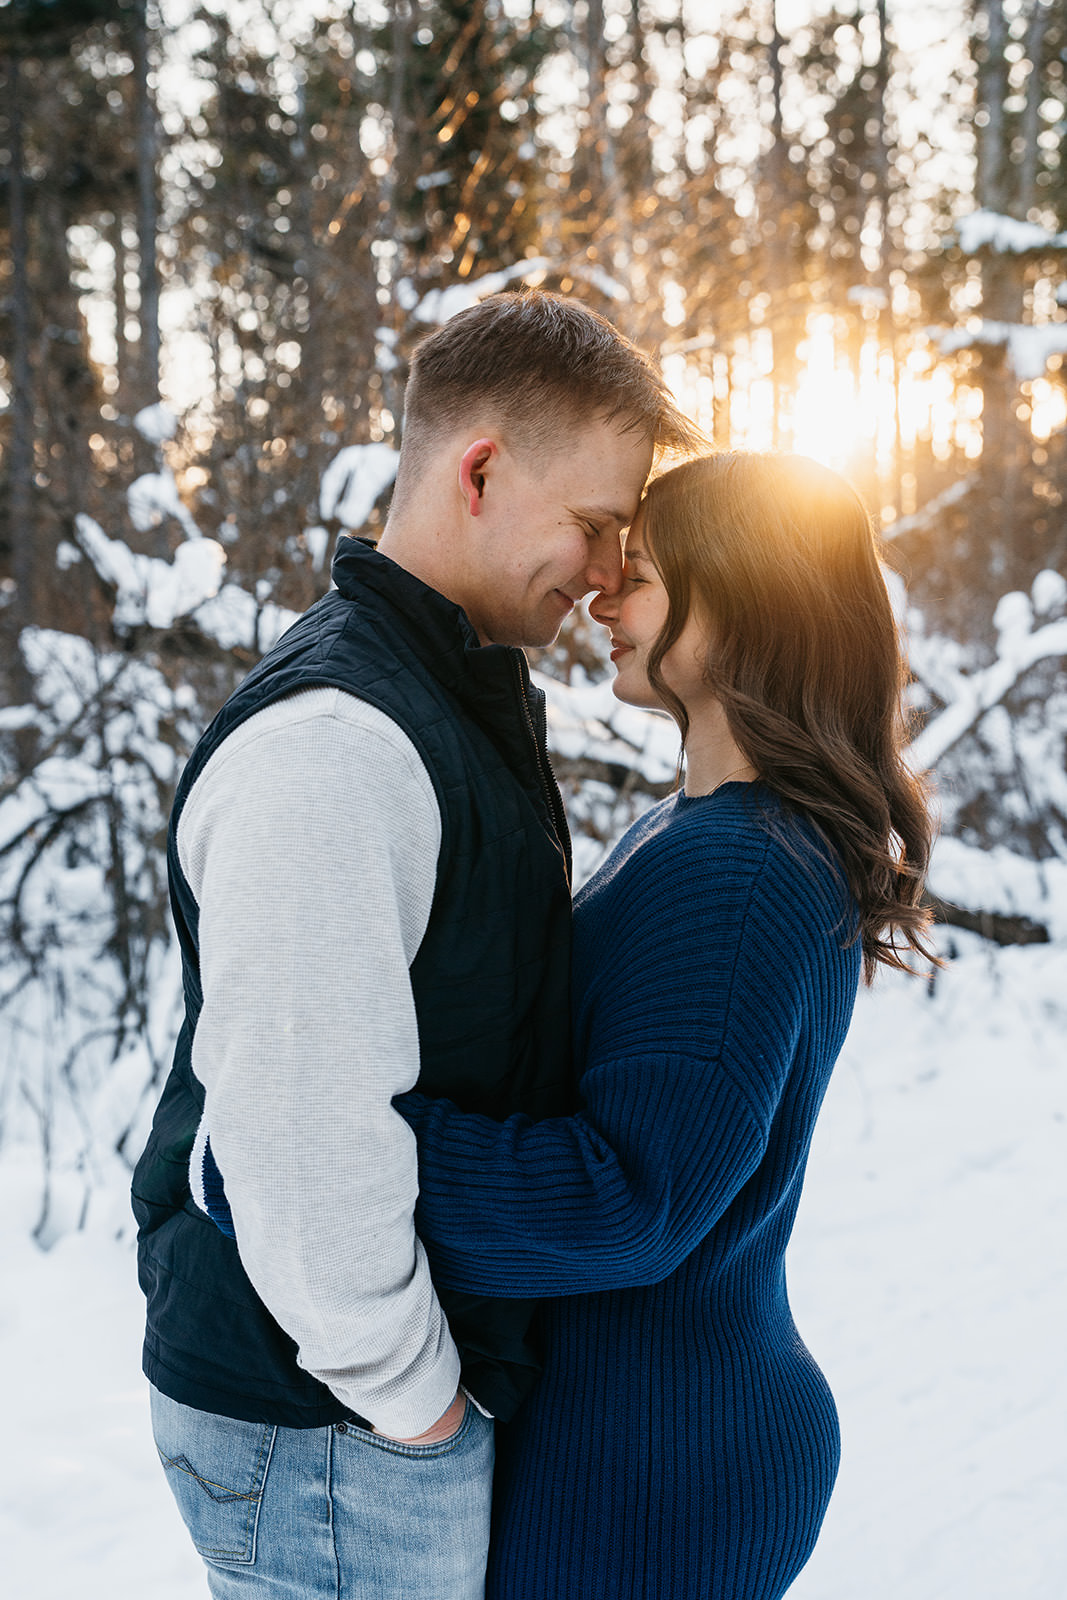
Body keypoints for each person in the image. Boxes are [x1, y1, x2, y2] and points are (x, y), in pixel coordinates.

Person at [130, 289, 700, 1599]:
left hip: (351, 1411)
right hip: (331, 1422)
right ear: (482, 471)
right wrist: (418, 1409)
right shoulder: (335, 748)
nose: (610, 572)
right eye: (597, 524)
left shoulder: (434, 700)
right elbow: (298, 1140)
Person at [395, 451, 938, 1600]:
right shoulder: (712, 827)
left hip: (649, 1487)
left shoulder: (733, 868)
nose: (600, 594)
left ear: (739, 603)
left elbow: (626, 1200)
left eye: (637, 574)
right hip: (663, 1438)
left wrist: (335, 1163)